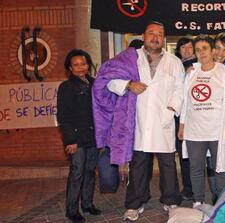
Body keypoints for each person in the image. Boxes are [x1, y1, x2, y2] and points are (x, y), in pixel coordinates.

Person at [93, 21, 184, 221]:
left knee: (168, 165)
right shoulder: (129, 58)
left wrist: (171, 110)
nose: (155, 37)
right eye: (151, 33)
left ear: (164, 38)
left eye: (160, 34)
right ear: (143, 36)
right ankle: (135, 204)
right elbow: (108, 79)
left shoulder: (174, 62)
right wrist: (128, 84)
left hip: (164, 121)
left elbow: (180, 89)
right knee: (139, 166)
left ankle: (171, 201)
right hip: (139, 121)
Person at [178, 35, 225, 208]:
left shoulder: (224, 73)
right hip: (194, 130)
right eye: (198, 50)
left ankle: (222, 203)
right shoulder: (191, 73)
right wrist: (182, 126)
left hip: (218, 130)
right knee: (196, 168)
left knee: (221, 168)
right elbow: (185, 101)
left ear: (212, 50)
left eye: (205, 49)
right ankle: (198, 201)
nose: (201, 53)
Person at [57, 49, 101, 222]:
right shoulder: (66, 87)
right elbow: (63, 116)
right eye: (76, 65)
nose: (80, 67)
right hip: (77, 140)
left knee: (90, 172)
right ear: (70, 67)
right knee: (77, 173)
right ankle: (72, 210)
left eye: (83, 63)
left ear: (88, 65)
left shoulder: (95, 84)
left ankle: (88, 204)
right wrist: (70, 140)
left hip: (93, 137)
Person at [174, 36, 195, 200]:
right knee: (183, 154)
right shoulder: (174, 65)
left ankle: (196, 187)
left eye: (190, 47)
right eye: (183, 47)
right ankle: (187, 188)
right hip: (177, 115)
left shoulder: (199, 65)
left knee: (196, 153)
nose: (187, 50)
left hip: (195, 115)